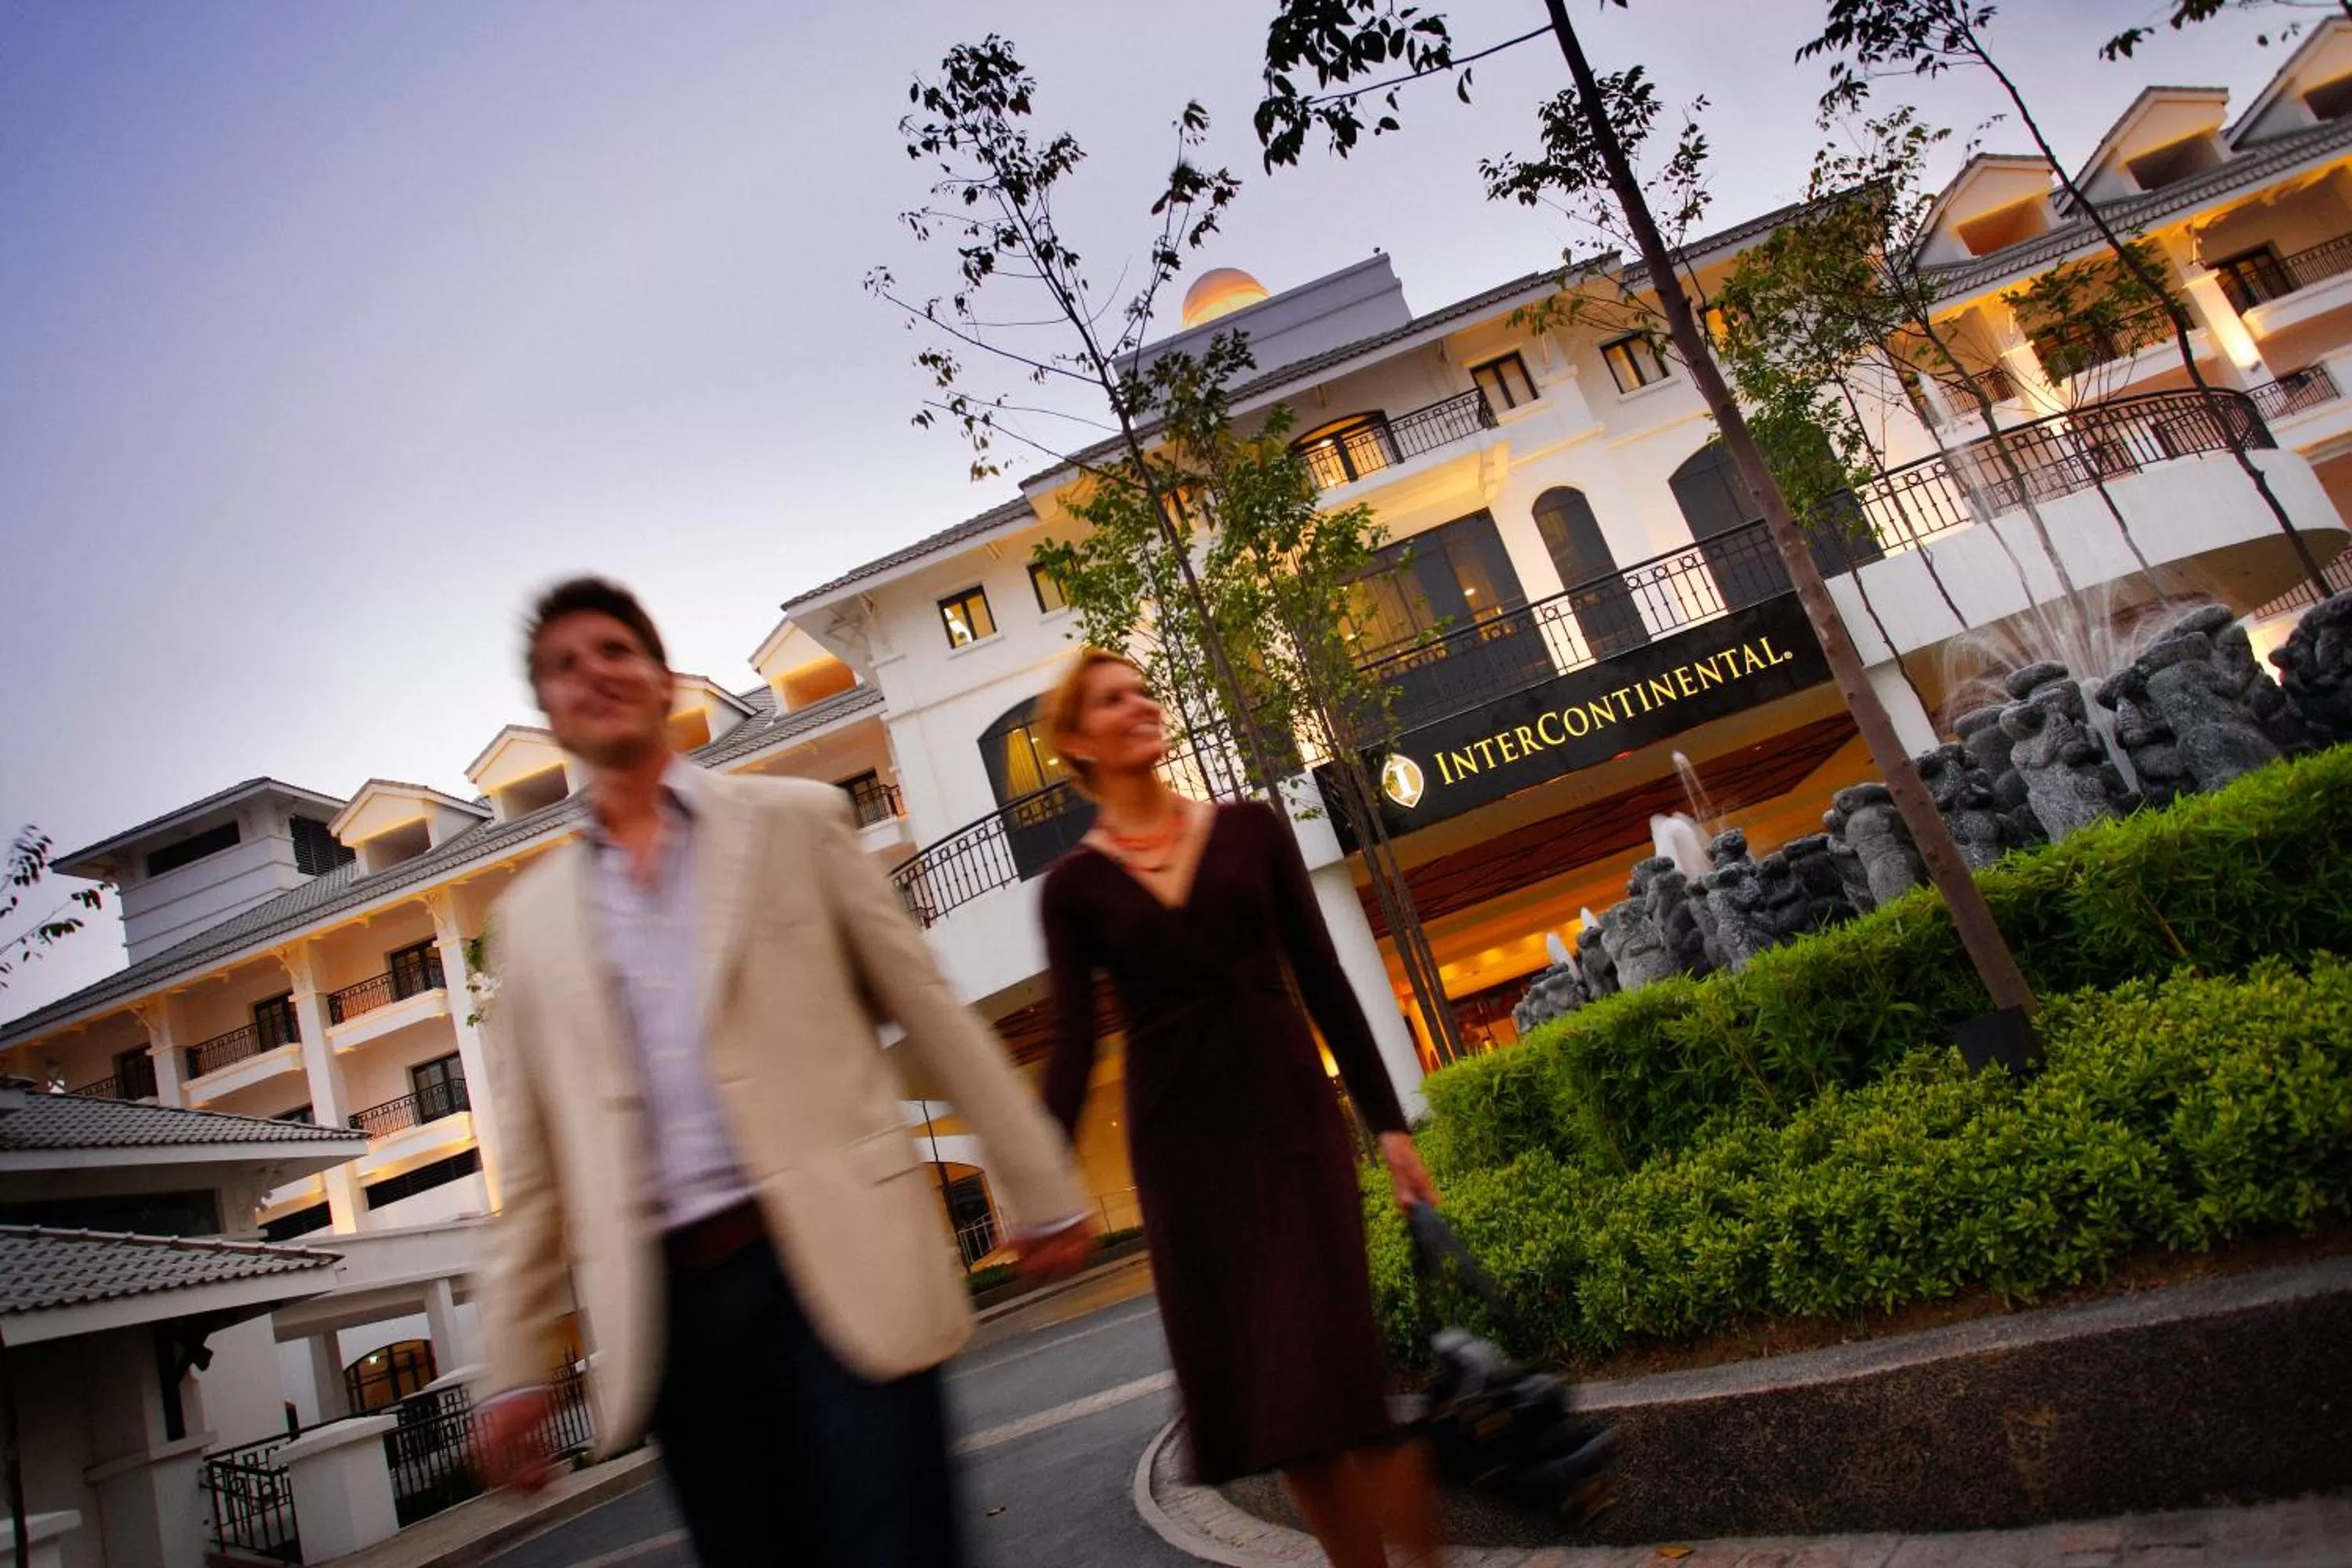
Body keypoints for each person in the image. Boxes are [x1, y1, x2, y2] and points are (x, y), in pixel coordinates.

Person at [475, 577, 1092, 1566]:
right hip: (675, 1318)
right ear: (548, 714)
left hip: (838, 1270)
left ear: (663, 679)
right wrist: (513, 1366)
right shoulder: (530, 923)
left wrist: (1039, 1182)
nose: (591, 673)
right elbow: (539, 1165)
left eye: (613, 651)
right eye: (562, 666)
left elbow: (929, 1011)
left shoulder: (795, 822)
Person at [1036, 648, 1443, 1568]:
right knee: (1281, 1411)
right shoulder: (1072, 889)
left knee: (1345, 1379)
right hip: (1185, 1162)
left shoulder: (1252, 830)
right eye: (1112, 698)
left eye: (1143, 688)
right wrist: (1036, 1185)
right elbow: (1070, 1045)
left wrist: (1387, 1124)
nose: (1140, 702)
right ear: (1075, 740)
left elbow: (1327, 980)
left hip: (1293, 1129)